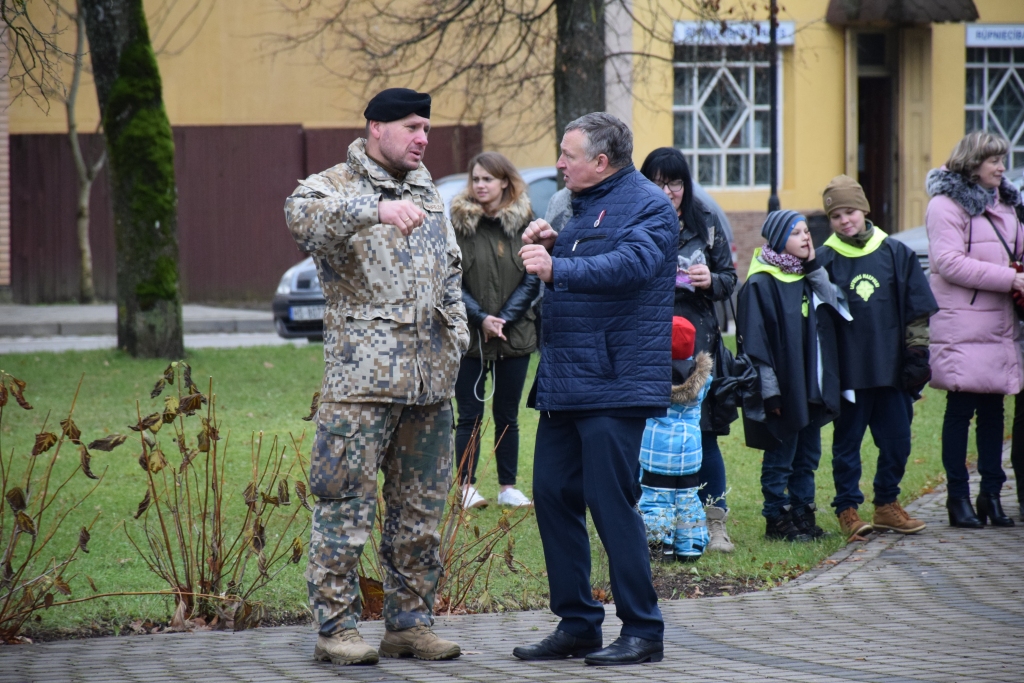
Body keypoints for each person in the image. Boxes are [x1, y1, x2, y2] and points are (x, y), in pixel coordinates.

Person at [284, 88, 469, 666]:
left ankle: (409, 627)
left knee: (420, 514)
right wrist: (374, 208)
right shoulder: (334, 186)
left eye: (427, 130)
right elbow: (300, 217)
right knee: (344, 509)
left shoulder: (427, 188)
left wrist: (458, 334)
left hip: (430, 386)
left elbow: (451, 270)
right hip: (361, 388)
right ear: (376, 128)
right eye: (412, 127)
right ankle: (335, 629)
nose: (422, 138)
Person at [511, 112, 677, 666]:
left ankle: (643, 630)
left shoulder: (650, 203)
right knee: (553, 496)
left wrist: (558, 267)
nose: (558, 162)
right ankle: (578, 622)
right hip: (566, 381)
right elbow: (593, 252)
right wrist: (557, 240)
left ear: (600, 162)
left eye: (567, 154)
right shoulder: (580, 205)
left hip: (615, 381)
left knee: (612, 504)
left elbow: (632, 264)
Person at [816, 175, 938, 540]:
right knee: (847, 444)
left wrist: (918, 354)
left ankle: (887, 505)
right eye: (836, 216)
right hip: (849, 373)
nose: (844, 220)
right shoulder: (824, 260)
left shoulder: (896, 253)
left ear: (864, 210)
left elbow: (917, 311)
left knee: (898, 440)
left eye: (850, 211)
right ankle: (848, 509)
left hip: (892, 370)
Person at [638, 148, 738, 554]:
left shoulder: (706, 221)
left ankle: (715, 523)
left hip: (698, 346)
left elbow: (730, 279)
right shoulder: (635, 217)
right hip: (646, 339)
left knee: (702, 432)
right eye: (658, 181)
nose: (667, 191)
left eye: (675, 182)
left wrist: (708, 278)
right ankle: (645, 525)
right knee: (645, 433)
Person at [924, 131, 1024, 528]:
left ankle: (991, 497)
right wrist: (1010, 279)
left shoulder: (1008, 202)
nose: (1001, 167)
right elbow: (947, 262)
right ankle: (958, 498)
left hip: (999, 323)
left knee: (994, 412)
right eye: (993, 161)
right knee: (960, 409)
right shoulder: (945, 205)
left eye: (1002, 160)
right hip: (964, 322)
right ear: (972, 163)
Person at [738, 211, 847, 541]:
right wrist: (770, 393)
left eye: (806, 231)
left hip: (810, 386)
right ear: (777, 238)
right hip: (783, 391)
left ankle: (802, 512)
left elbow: (834, 302)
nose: (806, 237)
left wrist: (814, 267)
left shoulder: (806, 275)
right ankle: (776, 516)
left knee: (808, 455)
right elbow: (757, 345)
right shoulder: (760, 282)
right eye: (796, 232)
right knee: (781, 455)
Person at [450, 152, 540, 509]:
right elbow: (450, 280)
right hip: (469, 335)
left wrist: (503, 318)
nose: (481, 185)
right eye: (476, 179)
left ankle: (507, 486)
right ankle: (466, 486)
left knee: (507, 414)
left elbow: (534, 275)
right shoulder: (458, 224)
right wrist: (480, 318)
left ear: (505, 182)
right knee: (469, 413)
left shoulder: (526, 223)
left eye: (488, 179)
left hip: (514, 333)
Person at [638, 316, 713, 562]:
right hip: (690, 453)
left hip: (657, 454)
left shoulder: (649, 379)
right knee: (688, 500)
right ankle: (690, 548)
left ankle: (659, 548)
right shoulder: (702, 379)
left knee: (656, 500)